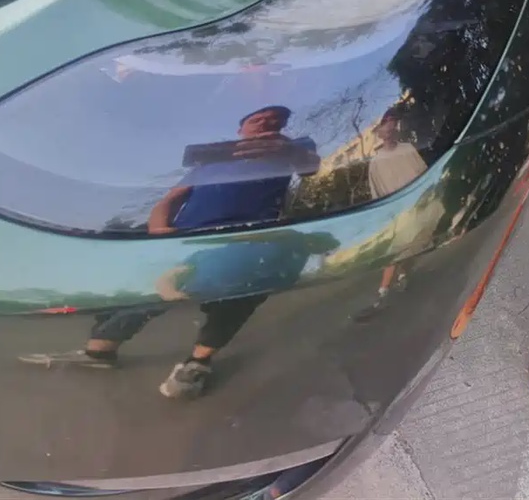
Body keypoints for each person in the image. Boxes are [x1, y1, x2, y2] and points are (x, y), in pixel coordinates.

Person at [20, 106, 323, 399]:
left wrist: (286, 149)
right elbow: (169, 200)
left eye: (276, 119)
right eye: (259, 118)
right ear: (240, 128)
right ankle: (99, 352)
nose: (267, 122)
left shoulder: (289, 151)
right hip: (184, 238)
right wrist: (160, 230)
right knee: (152, 293)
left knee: (237, 299)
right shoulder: (210, 163)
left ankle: (198, 363)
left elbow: (311, 167)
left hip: (248, 239)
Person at [368, 112, 428, 299]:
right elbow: (377, 193)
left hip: (418, 205)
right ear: (379, 132)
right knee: (395, 249)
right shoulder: (375, 162)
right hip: (397, 212)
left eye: (392, 124)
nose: (389, 128)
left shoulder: (408, 149)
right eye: (385, 124)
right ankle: (383, 291)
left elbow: (423, 172)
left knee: (413, 245)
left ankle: (402, 275)